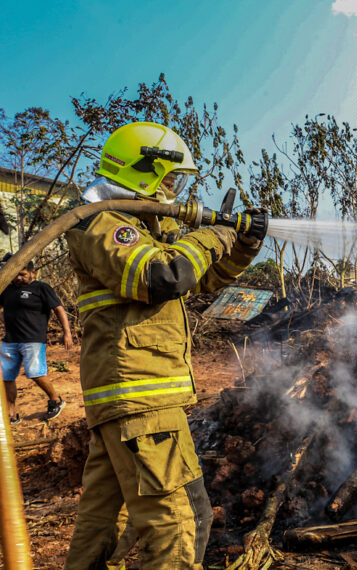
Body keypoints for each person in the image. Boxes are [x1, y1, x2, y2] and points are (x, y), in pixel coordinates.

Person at [64, 122, 262, 569]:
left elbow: (197, 280)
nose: (175, 190)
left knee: (104, 529)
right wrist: (217, 233)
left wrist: (242, 244)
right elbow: (163, 276)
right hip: (140, 402)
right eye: (170, 179)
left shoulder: (136, 226)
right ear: (141, 172)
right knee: (182, 523)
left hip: (129, 403)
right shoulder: (102, 223)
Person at [1, 261, 74, 424]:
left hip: (33, 340)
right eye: (16, 275)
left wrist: (67, 332)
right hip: (10, 341)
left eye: (23, 274)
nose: (18, 278)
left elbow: (59, 309)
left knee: (35, 373)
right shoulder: (6, 289)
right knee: (6, 378)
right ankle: (12, 414)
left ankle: (56, 400)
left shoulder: (41, 288)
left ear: (32, 272)